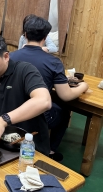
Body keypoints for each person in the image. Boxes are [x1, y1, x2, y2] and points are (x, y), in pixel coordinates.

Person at [10, 16, 89, 161]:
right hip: (35, 114)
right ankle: (51, 151)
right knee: (64, 112)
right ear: (45, 37)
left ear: (25, 35)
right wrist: (83, 86)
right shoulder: (53, 62)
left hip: (9, 108)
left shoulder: (10, 57)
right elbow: (65, 95)